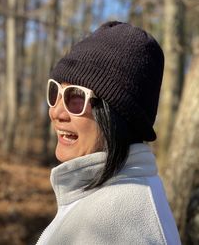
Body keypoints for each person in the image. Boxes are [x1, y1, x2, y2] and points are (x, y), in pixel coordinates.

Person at [36, 21, 181, 245]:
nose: (55, 111)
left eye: (76, 97)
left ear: (118, 114)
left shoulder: (116, 227)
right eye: (55, 90)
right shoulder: (116, 196)